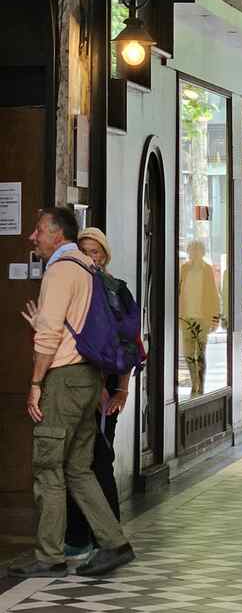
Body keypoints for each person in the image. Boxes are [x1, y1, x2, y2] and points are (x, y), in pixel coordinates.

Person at [10, 207, 134, 578]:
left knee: (49, 467)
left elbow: (48, 335)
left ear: (57, 234)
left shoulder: (61, 270)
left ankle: (49, 555)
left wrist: (35, 384)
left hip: (63, 379)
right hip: (88, 377)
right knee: (79, 468)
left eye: (39, 230)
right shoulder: (87, 267)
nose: (33, 237)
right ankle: (114, 543)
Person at [178, 239, 221, 397]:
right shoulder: (183, 269)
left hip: (202, 317)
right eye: (191, 250)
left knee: (200, 353)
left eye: (197, 250)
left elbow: (213, 294)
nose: (193, 253)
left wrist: (215, 317)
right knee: (189, 354)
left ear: (202, 253)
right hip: (186, 317)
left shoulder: (207, 270)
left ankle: (200, 384)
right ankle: (193, 382)